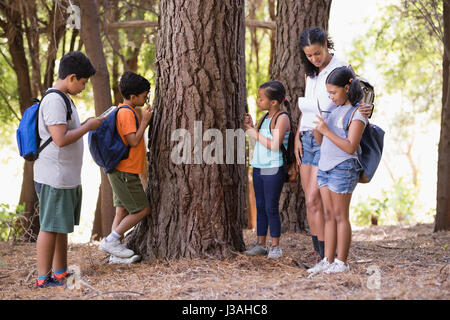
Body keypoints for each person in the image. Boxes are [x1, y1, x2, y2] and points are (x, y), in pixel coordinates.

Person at [295, 27, 372, 264]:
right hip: (308, 135)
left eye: (317, 53)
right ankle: (320, 254)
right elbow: (308, 105)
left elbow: (357, 97)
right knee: (310, 200)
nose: (314, 59)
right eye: (309, 55)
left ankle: (328, 256)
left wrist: (365, 109)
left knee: (319, 198)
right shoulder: (311, 73)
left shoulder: (341, 66)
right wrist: (298, 133)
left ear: (325, 46)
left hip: (329, 137)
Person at [34, 51, 104, 288]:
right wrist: (88, 127)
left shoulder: (64, 99)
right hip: (54, 176)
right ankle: (43, 278)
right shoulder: (54, 100)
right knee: (49, 227)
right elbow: (60, 139)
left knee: (60, 226)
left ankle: (60, 272)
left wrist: (85, 124)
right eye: (83, 82)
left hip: (65, 177)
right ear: (72, 77)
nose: (84, 87)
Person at [307, 66, 367, 274]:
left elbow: (350, 146)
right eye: (328, 93)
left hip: (343, 168)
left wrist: (326, 130)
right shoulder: (332, 110)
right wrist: (318, 129)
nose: (331, 97)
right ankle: (328, 259)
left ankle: (342, 262)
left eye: (334, 92)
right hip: (324, 166)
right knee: (329, 215)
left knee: (341, 216)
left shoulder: (357, 113)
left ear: (347, 88)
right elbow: (321, 141)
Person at [99, 71, 153, 263]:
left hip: (119, 171)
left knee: (121, 211)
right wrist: (145, 121)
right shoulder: (127, 113)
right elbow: (133, 140)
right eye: (144, 95)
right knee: (142, 210)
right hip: (125, 172)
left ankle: (116, 255)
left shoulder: (124, 110)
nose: (146, 98)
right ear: (132, 96)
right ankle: (111, 241)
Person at [244, 81, 291, 259]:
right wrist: (249, 127)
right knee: (261, 206)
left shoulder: (282, 118)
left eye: (261, 98)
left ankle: (276, 246)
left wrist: (255, 133)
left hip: (273, 167)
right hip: (258, 166)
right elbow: (256, 140)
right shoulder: (264, 118)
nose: (258, 101)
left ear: (273, 102)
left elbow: (274, 145)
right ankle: (261, 244)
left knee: (271, 207)